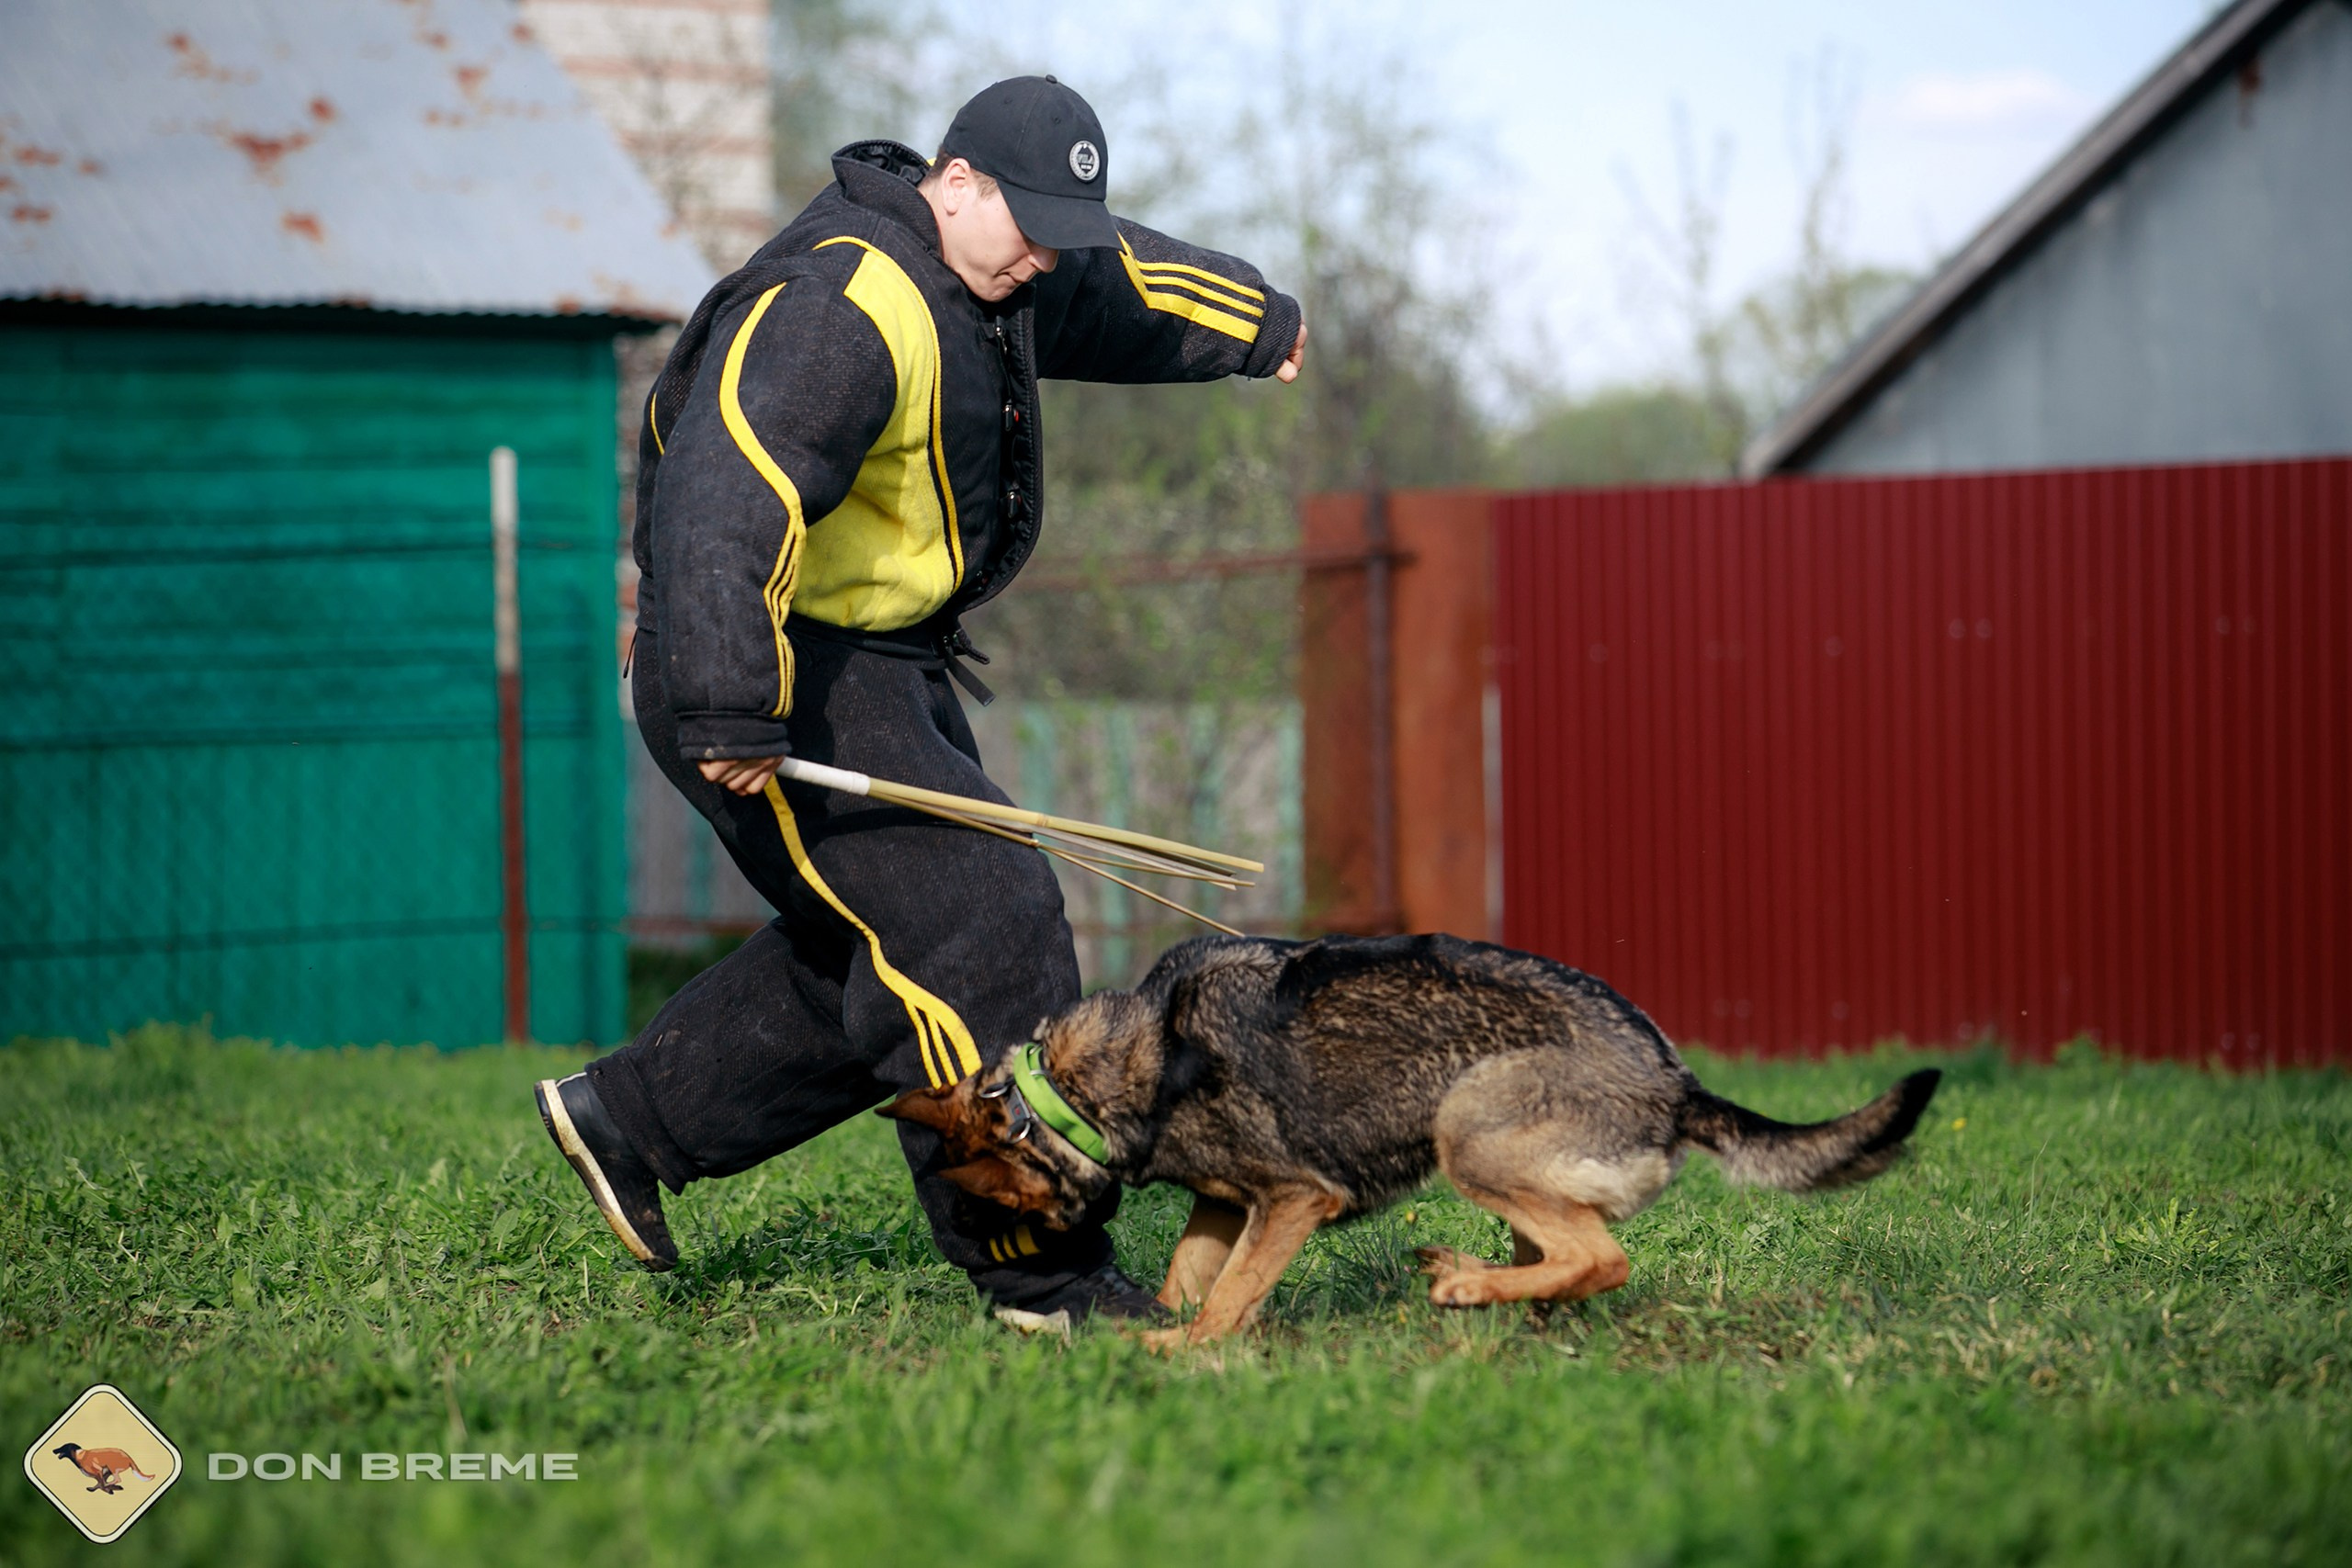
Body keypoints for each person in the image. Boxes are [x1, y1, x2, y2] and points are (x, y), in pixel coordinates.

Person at [534, 76, 1306, 1322]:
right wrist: (731, 702)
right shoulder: (837, 304)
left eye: (1060, 231)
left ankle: (631, 1117)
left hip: (882, 666)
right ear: (956, 181)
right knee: (980, 921)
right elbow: (726, 493)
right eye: (1029, 225)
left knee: (882, 943)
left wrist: (1257, 322)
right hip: (767, 662)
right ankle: (1039, 1273)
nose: (1043, 256)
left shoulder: (999, 266)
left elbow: (1120, 284)